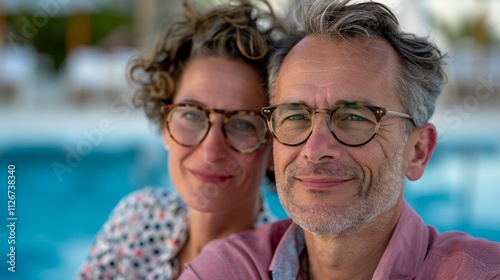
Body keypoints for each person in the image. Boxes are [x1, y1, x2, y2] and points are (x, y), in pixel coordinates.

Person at [179, 0, 500, 279]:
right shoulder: (226, 269)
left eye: (355, 117)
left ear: (417, 151)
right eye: (295, 116)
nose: (315, 150)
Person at [77, 1, 283, 279]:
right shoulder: (137, 220)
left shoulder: (279, 269)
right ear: (165, 127)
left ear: (274, 146)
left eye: (243, 124)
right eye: (192, 115)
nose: (211, 151)